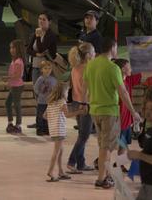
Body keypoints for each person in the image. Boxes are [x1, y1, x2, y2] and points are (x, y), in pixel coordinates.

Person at [84, 37, 141, 190]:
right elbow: (123, 92)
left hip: (94, 110)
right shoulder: (113, 67)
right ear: (112, 48)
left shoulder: (90, 65)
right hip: (109, 111)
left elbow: (86, 89)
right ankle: (102, 178)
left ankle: (105, 175)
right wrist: (133, 112)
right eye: (116, 48)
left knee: (103, 145)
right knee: (107, 147)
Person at [45, 82, 83, 182]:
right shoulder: (62, 102)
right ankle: (50, 171)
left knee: (60, 151)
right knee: (56, 152)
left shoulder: (51, 102)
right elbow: (67, 115)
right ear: (63, 92)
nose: (68, 93)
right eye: (67, 91)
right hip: (59, 130)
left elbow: (44, 115)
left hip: (53, 129)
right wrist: (79, 112)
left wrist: (53, 117)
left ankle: (61, 171)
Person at [67, 42, 95, 173]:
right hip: (85, 104)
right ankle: (71, 161)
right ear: (89, 55)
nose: (95, 54)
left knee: (81, 134)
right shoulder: (88, 68)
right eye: (94, 52)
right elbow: (86, 88)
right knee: (84, 136)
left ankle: (81, 163)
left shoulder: (75, 67)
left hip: (76, 102)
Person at [26, 12, 58, 85]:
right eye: (40, 19)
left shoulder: (51, 35)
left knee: (46, 92)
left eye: (44, 19)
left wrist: (38, 37)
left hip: (47, 68)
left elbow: (41, 49)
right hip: (35, 67)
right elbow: (28, 50)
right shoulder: (36, 32)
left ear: (49, 22)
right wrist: (37, 54)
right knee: (36, 91)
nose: (41, 21)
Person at [5, 39, 25, 134]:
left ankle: (18, 125)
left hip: (17, 86)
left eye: (13, 47)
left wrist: (7, 78)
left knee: (17, 105)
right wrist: (9, 80)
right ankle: (10, 122)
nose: (11, 49)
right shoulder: (15, 60)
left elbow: (17, 75)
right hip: (14, 86)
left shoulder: (18, 61)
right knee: (8, 103)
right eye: (10, 47)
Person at [34, 61, 56, 136]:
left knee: (48, 116)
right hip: (41, 101)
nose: (47, 70)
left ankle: (47, 129)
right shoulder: (40, 79)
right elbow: (36, 88)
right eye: (45, 68)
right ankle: (39, 129)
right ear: (41, 70)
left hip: (50, 101)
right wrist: (40, 94)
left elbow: (55, 90)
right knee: (40, 115)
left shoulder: (53, 79)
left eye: (49, 68)